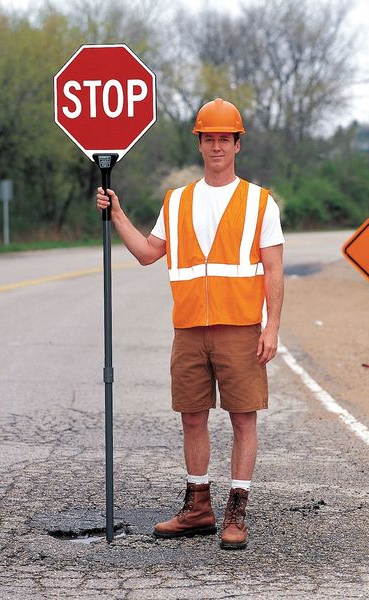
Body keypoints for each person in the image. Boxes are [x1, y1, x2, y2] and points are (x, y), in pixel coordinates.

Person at [96, 97, 284, 550]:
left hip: (240, 328)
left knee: (243, 419)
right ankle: (198, 506)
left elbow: (274, 270)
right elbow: (147, 254)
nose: (217, 146)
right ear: (199, 143)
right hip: (189, 331)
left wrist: (271, 326)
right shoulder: (177, 202)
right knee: (192, 418)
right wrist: (116, 213)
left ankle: (237, 510)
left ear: (238, 144)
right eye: (209, 139)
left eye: (225, 138)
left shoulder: (260, 202)